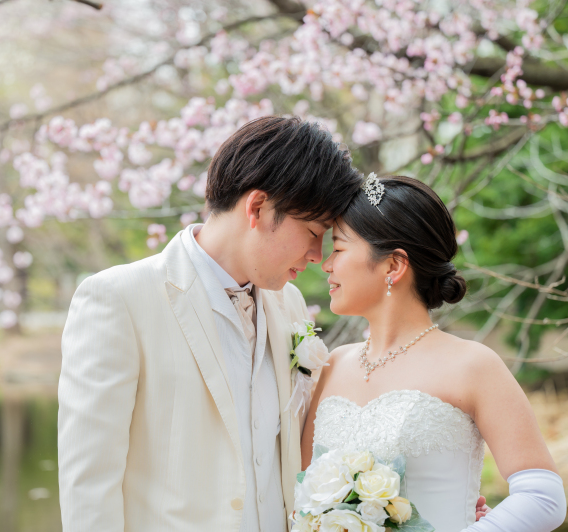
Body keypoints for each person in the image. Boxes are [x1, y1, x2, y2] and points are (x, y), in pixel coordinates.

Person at [58, 116, 362, 532]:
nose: (317, 254)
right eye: (312, 232)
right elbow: (88, 483)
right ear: (257, 208)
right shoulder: (119, 299)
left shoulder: (288, 303)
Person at [301, 175, 567, 532]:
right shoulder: (332, 364)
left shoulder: (472, 365)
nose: (326, 263)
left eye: (340, 248)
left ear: (393, 265)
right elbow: (301, 491)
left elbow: (542, 495)